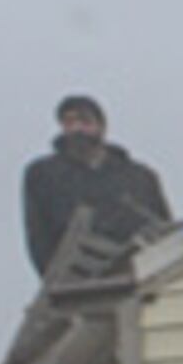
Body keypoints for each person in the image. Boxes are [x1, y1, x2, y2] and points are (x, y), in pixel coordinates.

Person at [21, 94, 173, 279]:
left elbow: (164, 228)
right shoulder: (43, 174)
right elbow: (38, 235)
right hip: (74, 279)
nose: (77, 128)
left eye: (85, 121)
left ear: (101, 126)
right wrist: (54, 280)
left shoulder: (139, 177)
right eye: (69, 122)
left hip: (137, 275)